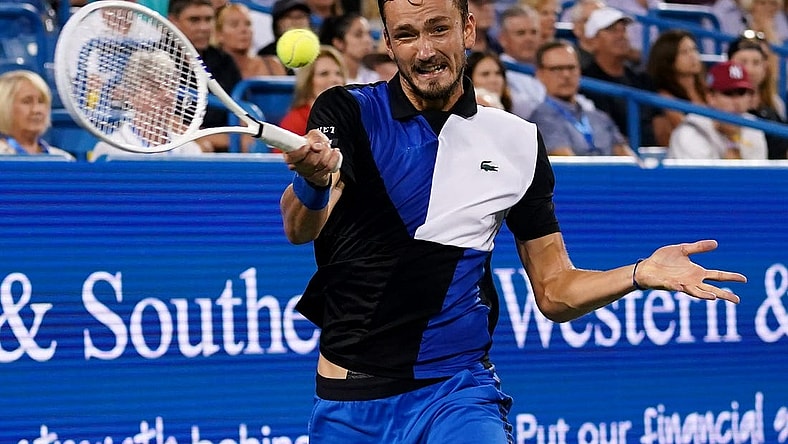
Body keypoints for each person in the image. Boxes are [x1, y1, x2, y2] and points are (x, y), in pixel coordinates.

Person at [277, 0, 747, 441]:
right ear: (387, 42)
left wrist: (638, 273)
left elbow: (555, 290)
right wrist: (314, 181)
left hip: (455, 392)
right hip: (349, 405)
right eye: (406, 35)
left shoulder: (516, 141)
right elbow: (300, 229)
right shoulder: (348, 110)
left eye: (438, 28)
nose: (425, 50)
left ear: (467, 29)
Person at [90, 50, 203, 160]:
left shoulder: (190, 150)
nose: (167, 95)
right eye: (154, 88)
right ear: (132, 95)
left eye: (172, 86)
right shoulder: (111, 149)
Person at [530, 40, 633, 156]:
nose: (566, 75)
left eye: (571, 68)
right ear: (540, 74)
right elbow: (570, 168)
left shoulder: (600, 118)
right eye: (557, 69)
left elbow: (630, 162)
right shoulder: (541, 120)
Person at [168, 0, 242, 152]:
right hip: (175, 149)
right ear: (173, 22)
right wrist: (198, 140)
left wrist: (204, 137)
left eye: (208, 20)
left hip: (224, 147)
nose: (204, 27)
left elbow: (242, 117)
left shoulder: (225, 61)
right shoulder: (154, 57)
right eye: (194, 20)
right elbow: (159, 119)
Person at [581, 6, 660, 146]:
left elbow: (659, 121)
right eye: (612, 30)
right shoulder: (586, 82)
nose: (621, 35)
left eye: (623, 29)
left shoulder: (641, 78)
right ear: (593, 41)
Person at [668, 60, 767, 160]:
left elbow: (758, 174)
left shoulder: (753, 126)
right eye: (729, 93)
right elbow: (702, 175)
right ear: (711, 97)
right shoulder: (690, 131)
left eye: (741, 93)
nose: (737, 102)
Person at [727, 31, 788, 159]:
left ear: (765, 67)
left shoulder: (774, 102)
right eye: (743, 62)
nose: (750, 69)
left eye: (756, 63)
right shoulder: (724, 104)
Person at [646, 29, 707, 147]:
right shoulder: (665, 98)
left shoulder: (708, 90)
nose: (692, 56)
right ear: (668, 59)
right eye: (684, 52)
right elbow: (686, 128)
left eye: (694, 50)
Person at [0, 70, 73, 159]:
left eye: (41, 101)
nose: (36, 110)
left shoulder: (64, 159)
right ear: (4, 106)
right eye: (27, 102)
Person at [280, 45, 347, 136]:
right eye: (324, 74)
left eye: (338, 74)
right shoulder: (295, 121)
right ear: (308, 81)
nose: (334, 79)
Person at [497, 4, 546, 119]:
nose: (529, 39)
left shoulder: (550, 68)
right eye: (521, 33)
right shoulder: (497, 72)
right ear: (503, 39)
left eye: (533, 32)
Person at [214, 2, 288, 78]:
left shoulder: (273, 66)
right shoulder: (211, 70)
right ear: (219, 34)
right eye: (234, 25)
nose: (243, 29)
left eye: (248, 24)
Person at [257, 0, 314, 75]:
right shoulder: (265, 55)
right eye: (289, 16)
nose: (296, 21)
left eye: (300, 16)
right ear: (277, 24)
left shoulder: (324, 52)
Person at [319, 12, 378, 84]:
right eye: (358, 35)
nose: (368, 40)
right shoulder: (331, 81)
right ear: (339, 43)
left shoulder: (373, 77)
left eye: (369, 34)